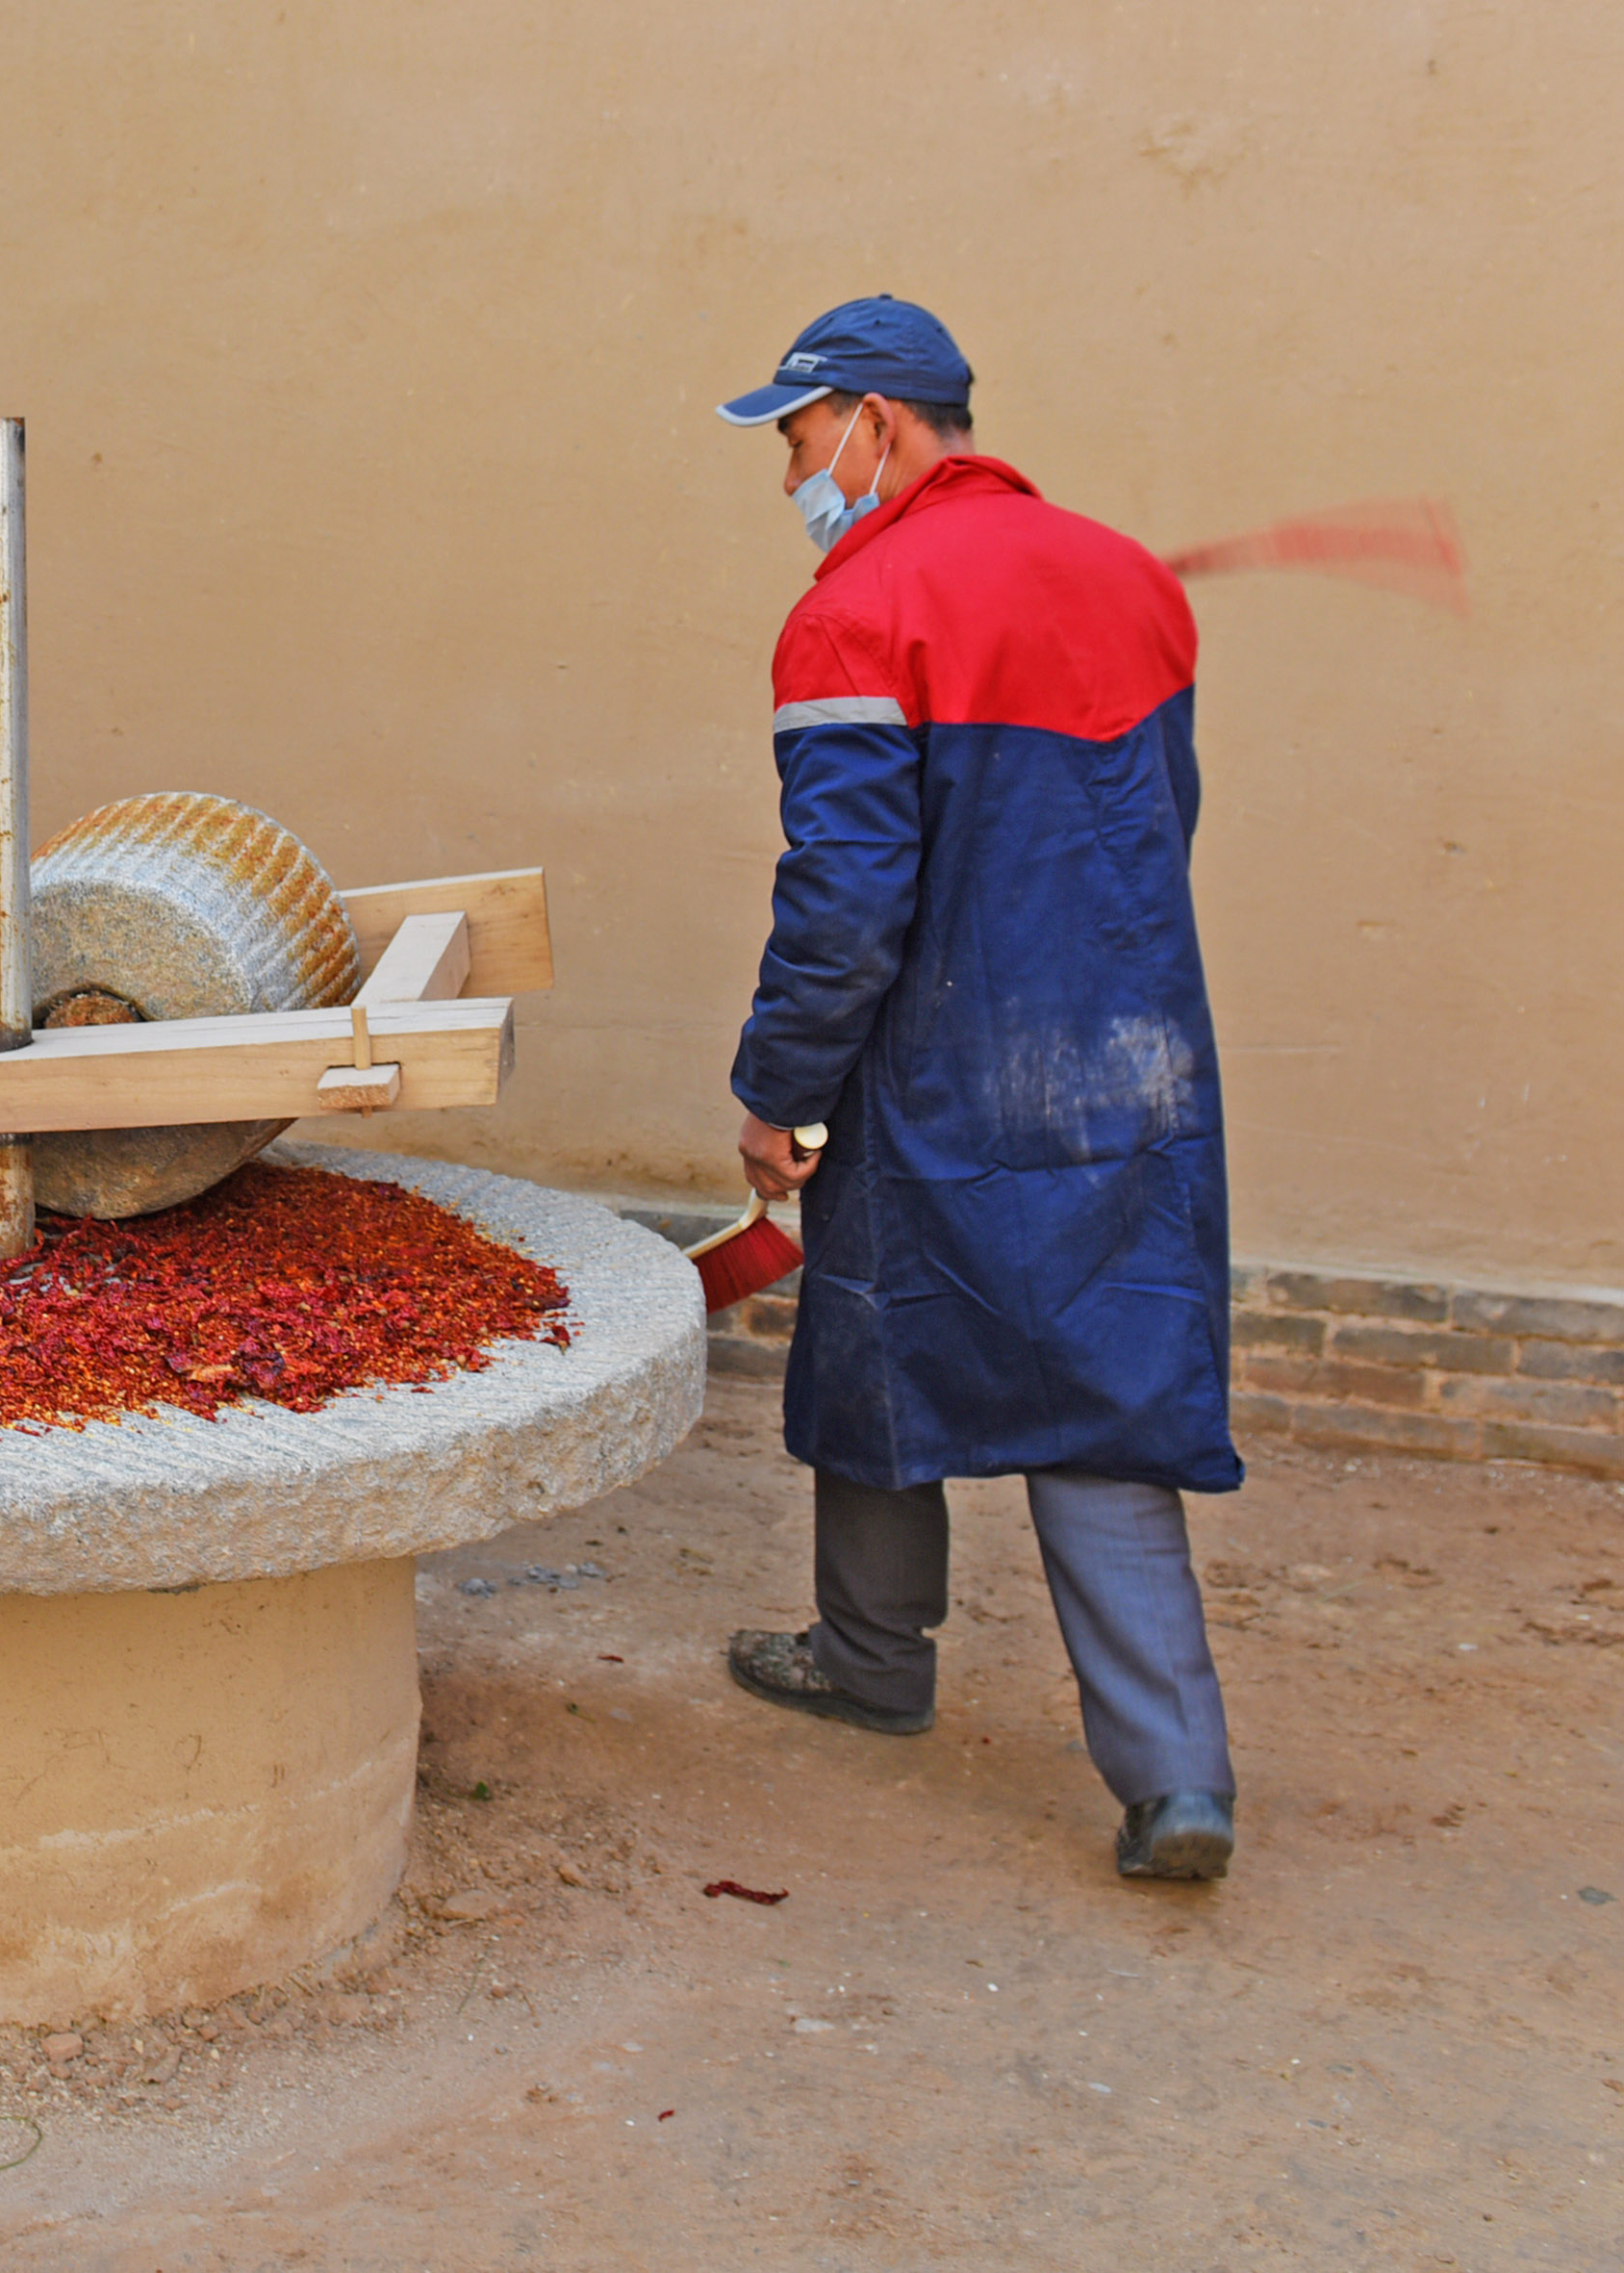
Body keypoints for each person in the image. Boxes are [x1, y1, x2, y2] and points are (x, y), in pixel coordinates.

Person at [709, 295, 1240, 1883]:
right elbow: (1165, 819)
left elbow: (847, 898)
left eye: (797, 435)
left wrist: (776, 1088)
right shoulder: (1127, 577)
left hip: (936, 1065)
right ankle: (1175, 1779)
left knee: (876, 1332)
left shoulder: (855, 610)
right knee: (1109, 1389)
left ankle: (874, 1661)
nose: (788, 470)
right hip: (1132, 1059)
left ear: (874, 419)